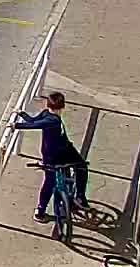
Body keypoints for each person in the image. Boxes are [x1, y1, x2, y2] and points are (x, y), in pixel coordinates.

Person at [13, 92, 87, 222]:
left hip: (49, 155)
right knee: (81, 167)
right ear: (62, 107)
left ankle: (40, 211)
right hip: (63, 153)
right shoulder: (54, 120)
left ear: (48, 105)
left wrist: (21, 114)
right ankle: (80, 197)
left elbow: (32, 121)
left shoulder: (45, 114)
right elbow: (34, 125)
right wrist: (17, 126)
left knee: (49, 182)